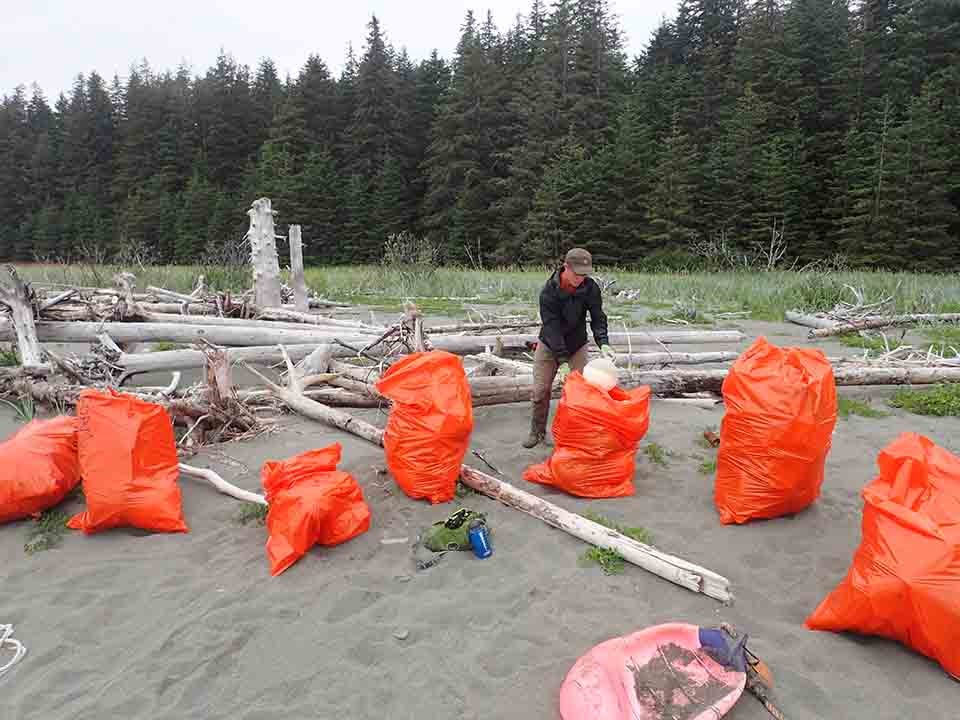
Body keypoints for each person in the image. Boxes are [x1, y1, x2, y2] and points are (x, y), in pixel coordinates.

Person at [524, 247, 615, 448]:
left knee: (577, 393)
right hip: (549, 343)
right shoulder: (549, 291)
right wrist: (562, 360)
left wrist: (604, 343)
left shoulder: (590, 288)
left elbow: (598, 317)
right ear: (566, 267)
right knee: (540, 391)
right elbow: (552, 327)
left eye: (585, 274)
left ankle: (572, 437)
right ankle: (537, 432)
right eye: (577, 274)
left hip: (577, 345)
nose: (581, 278)